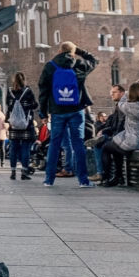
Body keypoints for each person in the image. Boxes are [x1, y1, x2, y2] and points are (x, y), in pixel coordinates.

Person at [38, 42, 98, 188]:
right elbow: (95, 60)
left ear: (59, 50)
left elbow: (43, 90)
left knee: (55, 144)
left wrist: (43, 112)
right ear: (73, 51)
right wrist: (79, 51)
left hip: (57, 111)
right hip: (76, 110)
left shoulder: (50, 66)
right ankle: (83, 181)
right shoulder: (79, 64)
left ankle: (48, 180)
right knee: (78, 144)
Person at [6, 72, 37, 180]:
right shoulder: (28, 91)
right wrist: (25, 106)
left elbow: (8, 105)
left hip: (14, 124)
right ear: (24, 79)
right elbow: (35, 104)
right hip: (26, 124)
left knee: (13, 148)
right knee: (25, 149)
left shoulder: (10, 91)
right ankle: (24, 173)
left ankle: (13, 172)